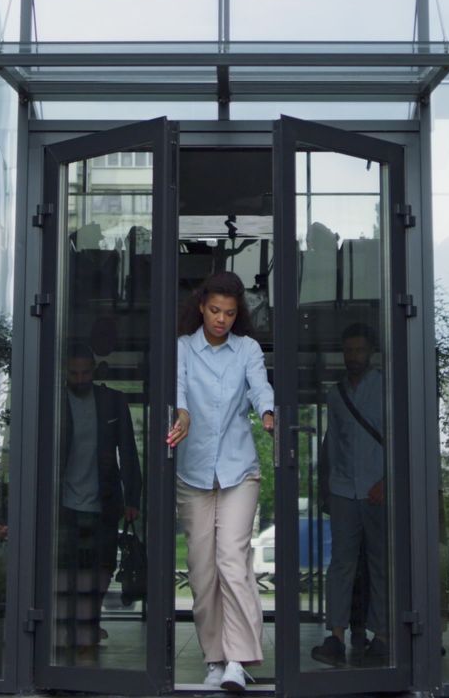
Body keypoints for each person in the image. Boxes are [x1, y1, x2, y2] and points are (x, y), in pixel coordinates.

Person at [167, 271, 274, 694]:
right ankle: (214, 657)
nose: (221, 319)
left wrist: (268, 412)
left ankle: (237, 659)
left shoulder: (247, 349)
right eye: (214, 310)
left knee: (232, 557)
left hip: (238, 470)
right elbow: (176, 389)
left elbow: (259, 387)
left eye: (230, 313)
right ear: (201, 307)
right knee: (202, 569)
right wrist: (182, 412)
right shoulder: (182, 349)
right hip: (192, 471)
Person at [55, 345, 142, 662]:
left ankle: (89, 625)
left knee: (102, 570)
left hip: (104, 501)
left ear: (94, 371)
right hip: (65, 504)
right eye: (73, 373)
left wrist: (133, 498)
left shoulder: (112, 401)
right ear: (66, 372)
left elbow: (128, 451)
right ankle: (71, 629)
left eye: (84, 372)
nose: (79, 378)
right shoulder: (56, 400)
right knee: (69, 572)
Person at [311, 322, 390, 668]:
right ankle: (336, 636)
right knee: (340, 564)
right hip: (343, 488)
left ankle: (382, 636)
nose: (353, 356)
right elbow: (332, 441)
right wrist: (326, 486)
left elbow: (399, 436)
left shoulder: (386, 387)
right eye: (348, 350)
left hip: (378, 488)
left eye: (358, 350)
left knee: (380, 563)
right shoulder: (335, 393)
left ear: (370, 352)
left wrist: (388, 480)